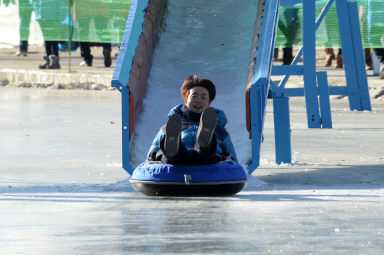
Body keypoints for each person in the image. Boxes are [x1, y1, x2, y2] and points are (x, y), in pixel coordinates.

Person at [147, 75, 237, 165]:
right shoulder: (170, 127)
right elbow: (152, 154)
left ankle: (205, 143)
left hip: (208, 163)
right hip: (175, 165)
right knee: (173, 152)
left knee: (207, 152)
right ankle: (173, 146)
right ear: (186, 99)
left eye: (203, 97)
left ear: (209, 102)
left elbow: (231, 156)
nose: (198, 100)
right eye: (194, 96)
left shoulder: (218, 129)